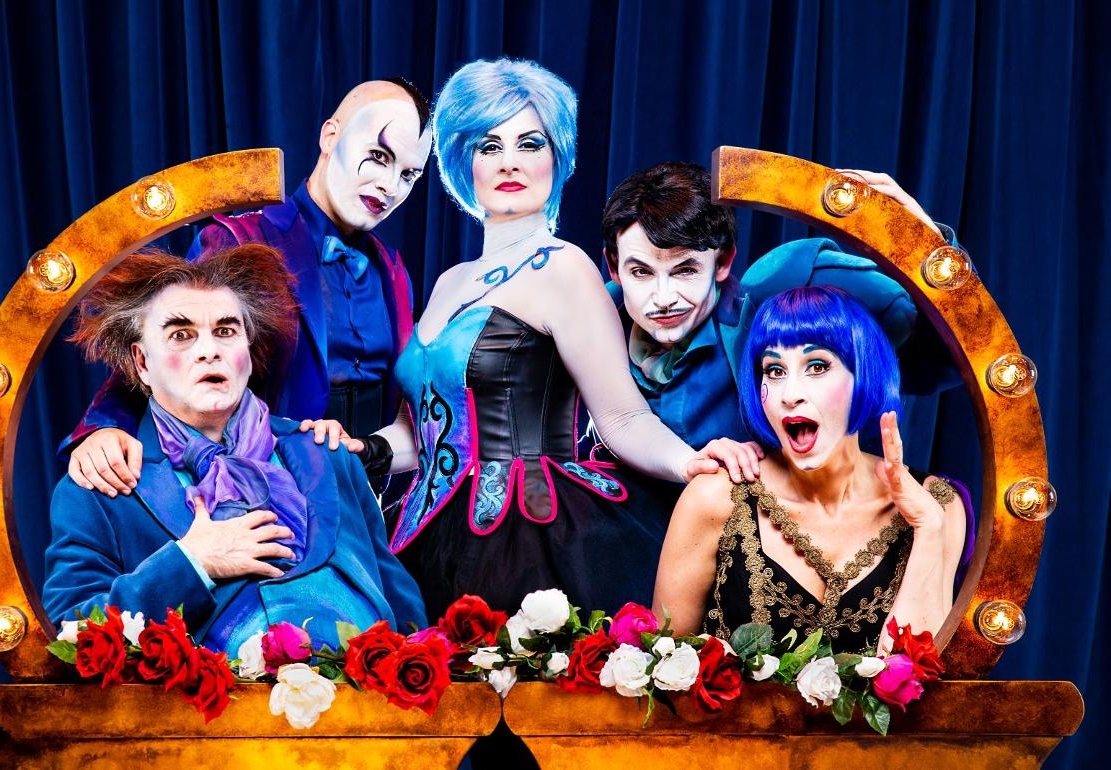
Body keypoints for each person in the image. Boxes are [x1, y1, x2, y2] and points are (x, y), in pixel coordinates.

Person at [313, 59, 734, 620]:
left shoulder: (565, 268)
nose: (508, 161)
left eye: (529, 143)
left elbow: (623, 417)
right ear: (463, 162)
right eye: (489, 146)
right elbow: (429, 433)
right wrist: (364, 449)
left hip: (535, 534)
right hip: (424, 533)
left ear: (557, 158)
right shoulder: (448, 282)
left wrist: (691, 464)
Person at [43, 245, 425, 658]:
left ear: (248, 350)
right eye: (181, 335)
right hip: (210, 698)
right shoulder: (100, 483)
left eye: (226, 331)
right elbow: (72, 632)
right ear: (142, 363)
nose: (210, 350)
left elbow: (403, 609)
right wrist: (193, 563)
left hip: (366, 692)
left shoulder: (328, 454)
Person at [61, 78, 433, 497]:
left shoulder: (392, 268)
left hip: (366, 502)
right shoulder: (242, 239)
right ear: (331, 136)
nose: (390, 186)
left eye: (409, 174)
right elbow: (165, 345)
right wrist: (103, 428)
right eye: (378, 157)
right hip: (262, 495)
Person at [598, 161, 961, 485]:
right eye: (641, 272)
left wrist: (929, 250)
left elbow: (939, 361)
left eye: (685, 270)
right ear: (614, 267)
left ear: (722, 262)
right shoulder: (593, 317)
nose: (663, 298)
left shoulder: (775, 314)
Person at [652, 286, 970, 653]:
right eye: (774, 370)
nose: (790, 394)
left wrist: (929, 529)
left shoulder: (938, 506)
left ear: (864, 372)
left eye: (817, 366)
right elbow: (661, 668)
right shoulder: (715, 497)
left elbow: (916, 676)